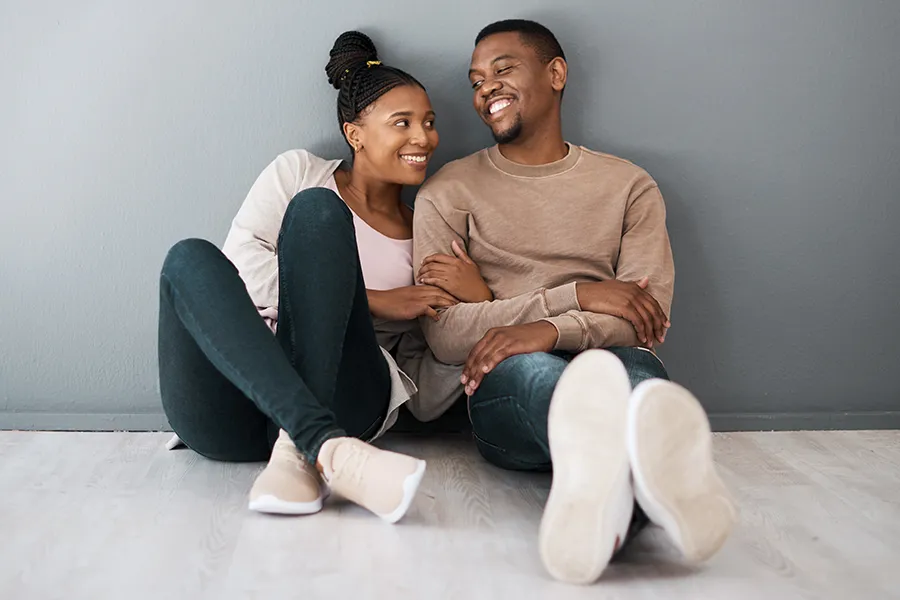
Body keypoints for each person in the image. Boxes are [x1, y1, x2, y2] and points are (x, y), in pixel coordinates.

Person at [412, 20, 737, 583]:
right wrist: (580, 297)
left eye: (503, 69)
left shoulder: (628, 186)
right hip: (508, 387)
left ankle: (608, 496)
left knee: (633, 372)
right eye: (476, 80)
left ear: (556, 73)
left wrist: (545, 328)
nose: (485, 87)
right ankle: (649, 486)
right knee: (532, 370)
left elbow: (644, 318)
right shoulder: (447, 191)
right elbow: (445, 333)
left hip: (607, 358)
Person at [157, 31, 472, 523]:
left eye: (429, 123)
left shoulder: (426, 229)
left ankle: (306, 442)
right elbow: (238, 267)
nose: (425, 138)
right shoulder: (299, 172)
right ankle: (324, 449)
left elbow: (431, 362)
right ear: (355, 133)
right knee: (188, 258)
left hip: (344, 395)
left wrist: (479, 301)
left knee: (319, 214)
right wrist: (372, 300)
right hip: (232, 415)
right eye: (403, 123)